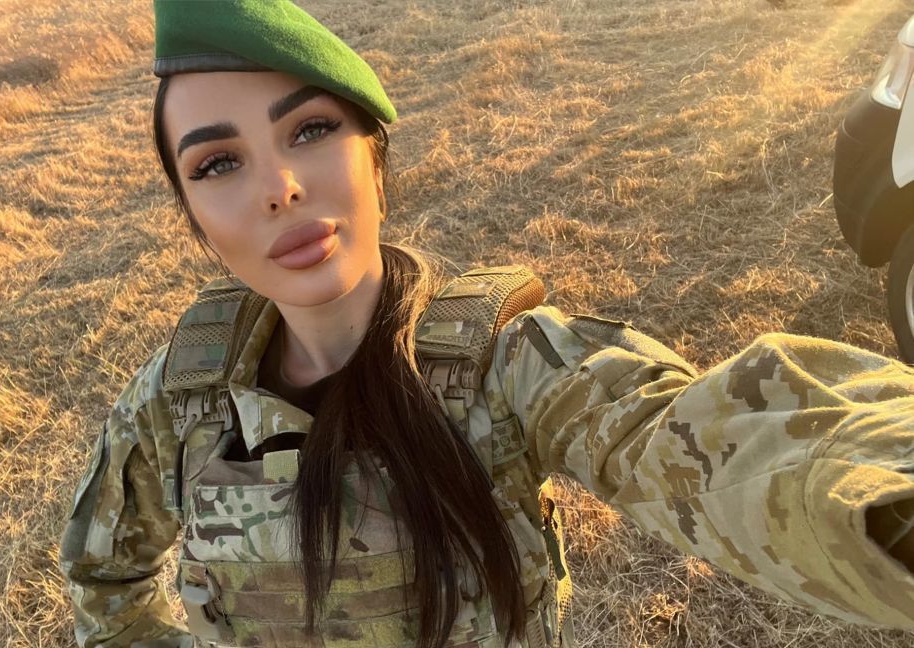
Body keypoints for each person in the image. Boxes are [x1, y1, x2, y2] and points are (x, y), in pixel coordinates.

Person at [58, 2, 914, 647]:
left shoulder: (506, 365)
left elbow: (702, 435)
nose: (278, 187)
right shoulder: (180, 401)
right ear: (194, 219)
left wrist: (877, 486)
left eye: (310, 129)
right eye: (218, 164)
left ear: (375, 160)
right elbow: (102, 579)